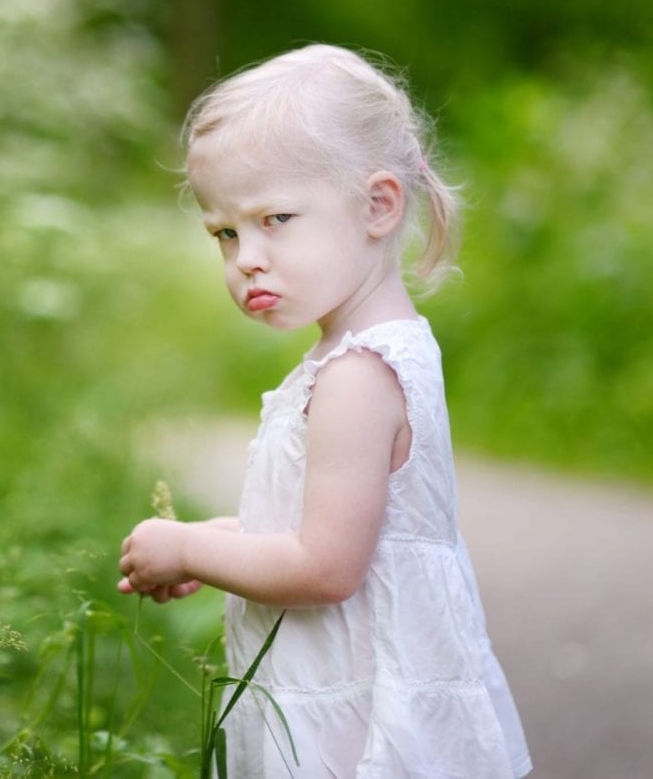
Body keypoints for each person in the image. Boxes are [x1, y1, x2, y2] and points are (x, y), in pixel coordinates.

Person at [116, 44, 532, 777]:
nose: (246, 256)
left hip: (355, 712)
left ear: (378, 205)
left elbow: (327, 565)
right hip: (347, 678)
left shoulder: (359, 375)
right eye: (225, 233)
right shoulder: (365, 351)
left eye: (275, 218)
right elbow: (326, 525)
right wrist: (216, 544)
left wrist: (186, 548)